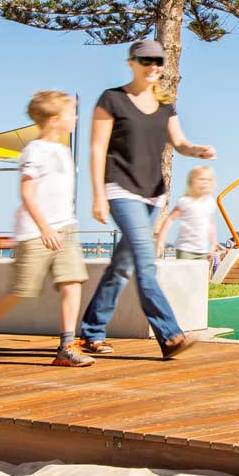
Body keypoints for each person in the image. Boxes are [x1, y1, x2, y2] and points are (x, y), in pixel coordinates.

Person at [77, 40, 216, 359]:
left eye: (158, 61)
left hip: (153, 195)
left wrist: (197, 150)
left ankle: (91, 331)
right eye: (145, 60)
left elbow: (179, 142)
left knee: (122, 267)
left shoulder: (165, 105)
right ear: (131, 63)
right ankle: (170, 335)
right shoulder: (112, 99)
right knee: (145, 262)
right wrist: (98, 195)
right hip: (120, 189)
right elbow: (97, 149)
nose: (153, 66)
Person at [0, 91, 93, 367]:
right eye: (71, 114)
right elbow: (27, 193)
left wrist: (65, 224)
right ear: (55, 119)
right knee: (21, 289)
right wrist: (45, 228)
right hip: (35, 233)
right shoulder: (34, 151)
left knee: (72, 282)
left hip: (65, 228)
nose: (76, 118)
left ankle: (66, 347)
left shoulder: (63, 151)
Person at [154, 166, 221, 271]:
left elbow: (211, 224)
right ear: (192, 182)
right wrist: (161, 240)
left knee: (199, 277)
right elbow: (169, 219)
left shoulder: (210, 203)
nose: (205, 182)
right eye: (201, 179)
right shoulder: (185, 201)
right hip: (185, 249)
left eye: (208, 180)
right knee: (184, 276)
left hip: (202, 250)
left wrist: (213, 243)